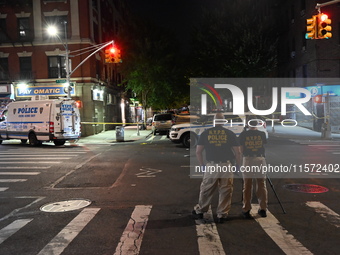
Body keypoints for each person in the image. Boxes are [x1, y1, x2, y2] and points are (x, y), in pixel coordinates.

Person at [192, 113, 242, 223]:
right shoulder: (230, 134)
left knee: (206, 189)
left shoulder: (206, 133)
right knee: (226, 190)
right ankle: (222, 214)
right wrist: (237, 166)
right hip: (226, 165)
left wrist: (202, 165)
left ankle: (201, 210)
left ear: (214, 121)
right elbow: (238, 152)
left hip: (212, 165)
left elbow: (198, 151)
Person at [239, 119, 268, 218]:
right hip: (260, 159)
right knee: (261, 184)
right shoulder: (262, 134)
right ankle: (263, 208)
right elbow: (263, 145)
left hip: (248, 159)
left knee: (247, 185)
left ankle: (246, 209)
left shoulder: (243, 135)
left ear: (247, 124)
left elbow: (241, 150)